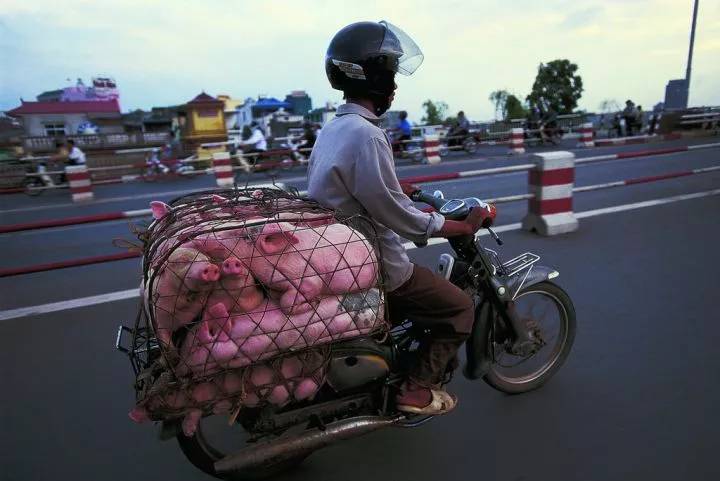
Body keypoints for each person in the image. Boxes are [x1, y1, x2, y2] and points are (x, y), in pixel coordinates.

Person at [307, 21, 496, 415]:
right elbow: (396, 216)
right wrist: (457, 226)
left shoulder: (334, 129)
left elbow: (358, 187)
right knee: (459, 307)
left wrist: (399, 187)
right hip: (374, 262)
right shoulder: (368, 135)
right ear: (372, 77)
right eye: (390, 72)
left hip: (336, 250)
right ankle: (415, 388)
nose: (394, 84)